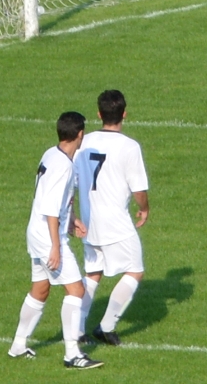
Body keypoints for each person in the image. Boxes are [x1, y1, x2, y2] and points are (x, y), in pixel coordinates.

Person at [8, 111, 103, 369]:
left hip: (36, 232)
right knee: (76, 289)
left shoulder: (52, 154)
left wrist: (72, 220)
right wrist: (56, 246)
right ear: (80, 134)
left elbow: (57, 200)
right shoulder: (63, 166)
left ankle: (18, 345)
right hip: (48, 237)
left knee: (40, 288)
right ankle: (72, 354)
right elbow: (50, 209)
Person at [74, 90, 149, 346]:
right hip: (115, 223)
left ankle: (75, 329)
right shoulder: (129, 146)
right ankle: (106, 326)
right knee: (135, 269)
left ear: (99, 114)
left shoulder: (84, 142)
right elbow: (139, 188)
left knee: (93, 273)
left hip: (88, 221)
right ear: (124, 114)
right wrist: (144, 208)